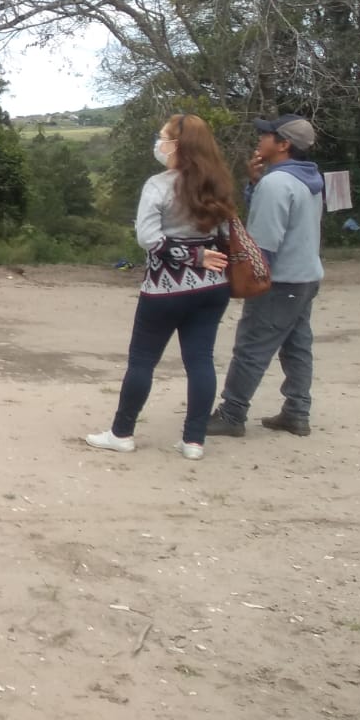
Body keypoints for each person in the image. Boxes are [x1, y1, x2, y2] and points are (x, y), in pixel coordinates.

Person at [85, 113, 236, 461]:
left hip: (165, 289)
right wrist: (203, 255)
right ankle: (194, 441)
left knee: (142, 361)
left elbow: (148, 238)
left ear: (178, 145)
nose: (159, 142)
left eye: (164, 137)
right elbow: (228, 236)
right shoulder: (219, 185)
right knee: (200, 361)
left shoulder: (158, 185)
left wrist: (191, 256)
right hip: (213, 287)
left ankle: (122, 433)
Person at [205, 115, 325, 438]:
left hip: (280, 279)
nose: (260, 138)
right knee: (297, 345)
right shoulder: (308, 177)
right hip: (306, 275)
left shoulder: (276, 184)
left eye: (267, 135)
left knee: (251, 346)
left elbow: (263, 244)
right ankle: (297, 412)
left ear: (283, 144)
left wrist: (250, 280)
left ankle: (232, 414)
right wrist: (256, 182)